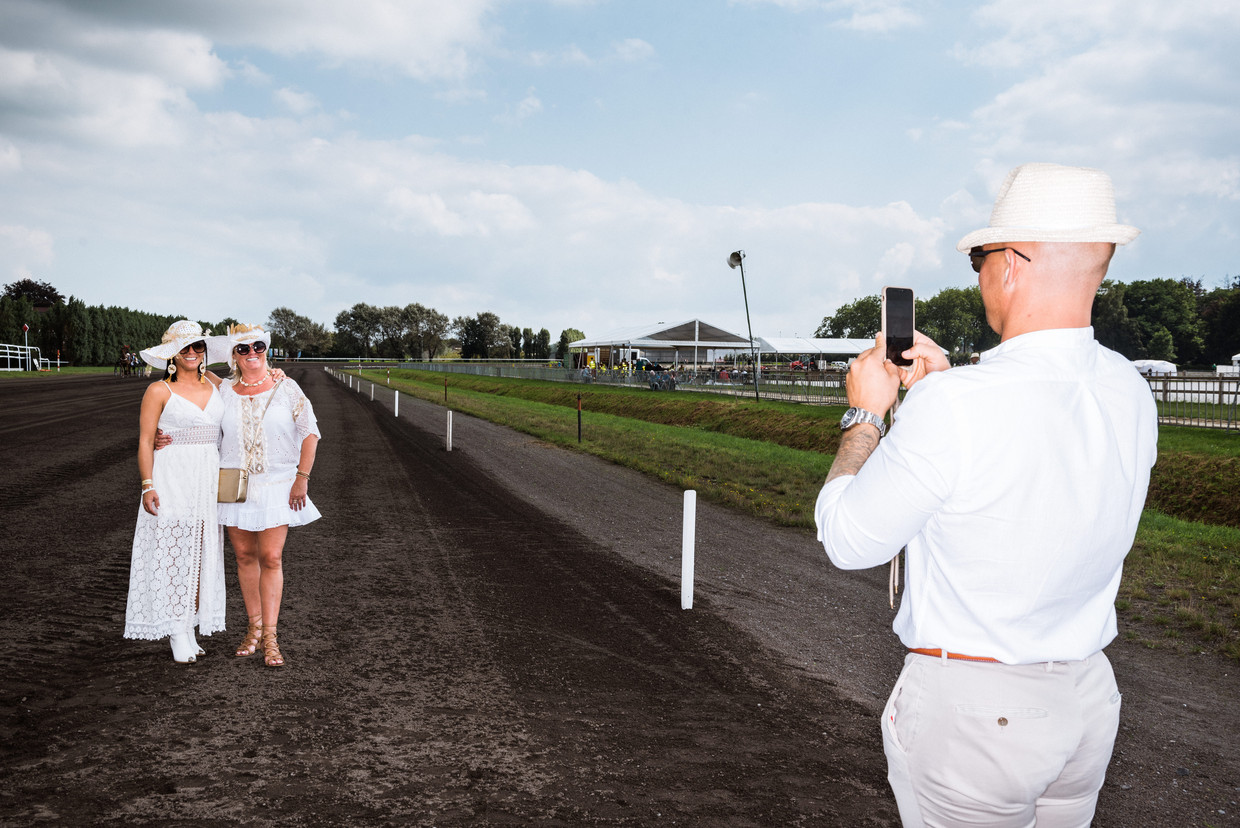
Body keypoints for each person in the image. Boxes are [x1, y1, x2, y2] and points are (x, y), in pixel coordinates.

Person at [814, 163, 1157, 826]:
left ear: (1011, 264)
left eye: (979, 259)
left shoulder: (958, 406)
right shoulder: (1128, 389)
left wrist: (866, 417)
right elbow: (1028, 463)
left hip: (979, 714)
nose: (978, 276)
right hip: (1086, 695)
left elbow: (848, 540)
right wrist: (940, 393)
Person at [212, 323, 321, 668]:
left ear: (266, 349)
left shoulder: (286, 387)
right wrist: (164, 437)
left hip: (278, 484)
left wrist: (302, 477)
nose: (252, 354)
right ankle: (254, 630)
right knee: (245, 556)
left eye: (258, 346)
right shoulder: (223, 391)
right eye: (243, 349)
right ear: (233, 355)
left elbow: (310, 433)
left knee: (271, 557)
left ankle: (271, 637)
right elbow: (189, 403)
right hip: (235, 485)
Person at [124, 321, 228, 663]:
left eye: (198, 346)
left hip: (208, 477)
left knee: (200, 552)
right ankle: (176, 631)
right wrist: (147, 485)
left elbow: (248, 394)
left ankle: (189, 624)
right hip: (172, 475)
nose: (192, 353)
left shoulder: (216, 384)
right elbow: (145, 440)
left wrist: (276, 376)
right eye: (185, 348)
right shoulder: (158, 391)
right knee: (173, 553)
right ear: (172, 353)